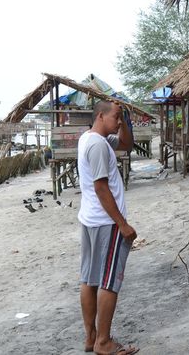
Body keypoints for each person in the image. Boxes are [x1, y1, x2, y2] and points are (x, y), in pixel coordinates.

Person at [77, 100, 138, 355]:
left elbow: (126, 144)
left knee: (89, 279)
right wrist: (122, 224)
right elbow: (101, 187)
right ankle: (103, 342)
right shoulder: (99, 146)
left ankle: (91, 337)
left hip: (90, 219)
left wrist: (125, 120)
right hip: (106, 222)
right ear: (100, 116)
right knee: (109, 281)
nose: (119, 120)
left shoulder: (90, 138)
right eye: (115, 116)